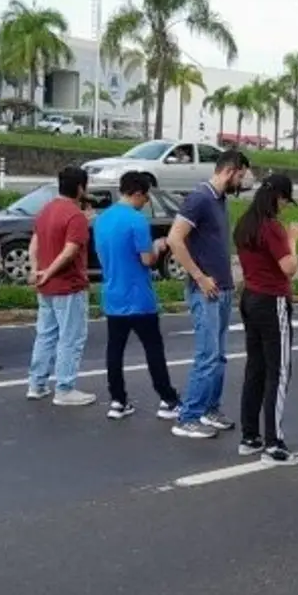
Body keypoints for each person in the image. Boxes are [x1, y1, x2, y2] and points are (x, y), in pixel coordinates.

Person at [167, 149, 251, 439]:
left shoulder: (220, 200)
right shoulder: (199, 198)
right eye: (241, 176)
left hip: (222, 288)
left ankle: (209, 408)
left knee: (219, 356)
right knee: (207, 355)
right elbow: (174, 239)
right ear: (230, 171)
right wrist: (200, 277)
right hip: (206, 290)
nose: (241, 183)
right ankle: (188, 416)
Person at [93, 171, 181, 421]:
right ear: (138, 193)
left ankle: (118, 400)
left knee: (115, 350)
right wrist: (159, 245)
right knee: (153, 349)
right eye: (146, 197)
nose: (146, 202)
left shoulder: (102, 219)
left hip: (112, 293)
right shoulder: (137, 221)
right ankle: (168, 398)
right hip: (139, 296)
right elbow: (147, 260)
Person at [234, 174, 298, 465]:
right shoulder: (271, 227)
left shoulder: (245, 223)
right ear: (278, 197)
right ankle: (274, 444)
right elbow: (289, 267)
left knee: (256, 368)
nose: (286, 207)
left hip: (250, 297)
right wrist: (293, 240)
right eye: (286, 200)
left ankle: (250, 436)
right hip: (272, 300)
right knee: (279, 372)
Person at [26, 166, 96, 406]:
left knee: (45, 335)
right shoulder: (75, 216)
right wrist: (50, 272)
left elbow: (34, 244)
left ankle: (37, 383)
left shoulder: (45, 210)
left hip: (46, 286)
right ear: (80, 188)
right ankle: (65, 388)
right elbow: (70, 251)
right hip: (69, 285)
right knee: (71, 337)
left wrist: (37, 271)